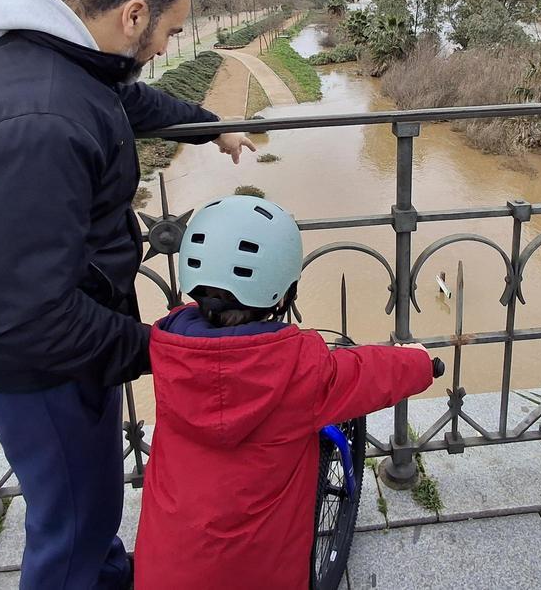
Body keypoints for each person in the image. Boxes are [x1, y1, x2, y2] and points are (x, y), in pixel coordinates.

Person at [0, 0, 256, 590]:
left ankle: (105, 576)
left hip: (51, 343)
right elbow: (29, 317)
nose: (167, 46)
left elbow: (124, 98)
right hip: (39, 364)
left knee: (85, 507)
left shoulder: (54, 59)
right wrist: (161, 350)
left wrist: (207, 124)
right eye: (167, 32)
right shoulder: (37, 122)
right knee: (72, 523)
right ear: (134, 14)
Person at [135, 195, 434, 589]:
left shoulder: (169, 348)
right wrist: (420, 363)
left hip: (165, 572)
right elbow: (368, 373)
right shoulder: (301, 370)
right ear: (283, 291)